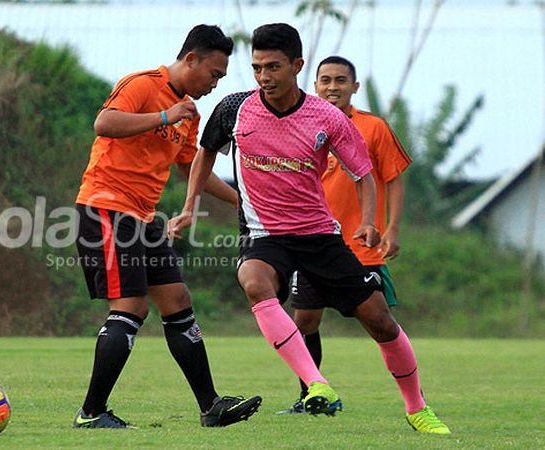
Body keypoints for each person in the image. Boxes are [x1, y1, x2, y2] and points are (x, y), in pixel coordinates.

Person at [167, 23, 450, 434]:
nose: (264, 77)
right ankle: (317, 385)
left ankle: (417, 408)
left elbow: (363, 173)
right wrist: (190, 206)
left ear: (297, 65)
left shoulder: (328, 117)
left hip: (319, 236)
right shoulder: (234, 109)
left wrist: (370, 221)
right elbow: (205, 153)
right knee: (253, 280)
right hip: (264, 234)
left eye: (274, 67)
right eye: (258, 67)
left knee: (381, 321)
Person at [73, 24, 262, 429]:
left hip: (143, 218)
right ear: (190, 58)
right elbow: (104, 124)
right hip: (105, 208)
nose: (215, 83)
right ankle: (91, 413)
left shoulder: (188, 113)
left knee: (176, 299)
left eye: (221, 78)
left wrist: (240, 197)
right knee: (132, 306)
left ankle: (210, 405)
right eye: (213, 73)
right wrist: (163, 114)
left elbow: (186, 169)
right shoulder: (143, 85)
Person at [275, 56, 413, 415]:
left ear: (355, 87)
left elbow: (393, 177)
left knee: (380, 324)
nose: (332, 86)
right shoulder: (298, 124)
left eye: (340, 80)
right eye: (325, 80)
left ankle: (412, 398)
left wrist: (392, 228)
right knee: (303, 322)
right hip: (312, 242)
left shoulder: (373, 127)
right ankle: (310, 397)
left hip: (360, 247)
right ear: (314, 84)